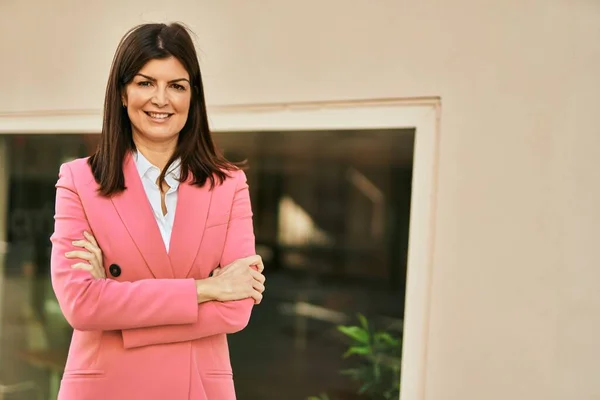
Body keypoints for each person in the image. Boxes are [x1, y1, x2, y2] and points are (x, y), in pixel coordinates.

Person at [50, 22, 266, 400]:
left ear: (193, 97)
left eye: (177, 86)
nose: (161, 99)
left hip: (196, 387)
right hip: (106, 387)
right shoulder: (79, 180)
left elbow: (235, 312)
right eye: (145, 82)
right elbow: (81, 305)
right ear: (122, 92)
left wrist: (116, 308)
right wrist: (205, 288)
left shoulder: (229, 185)